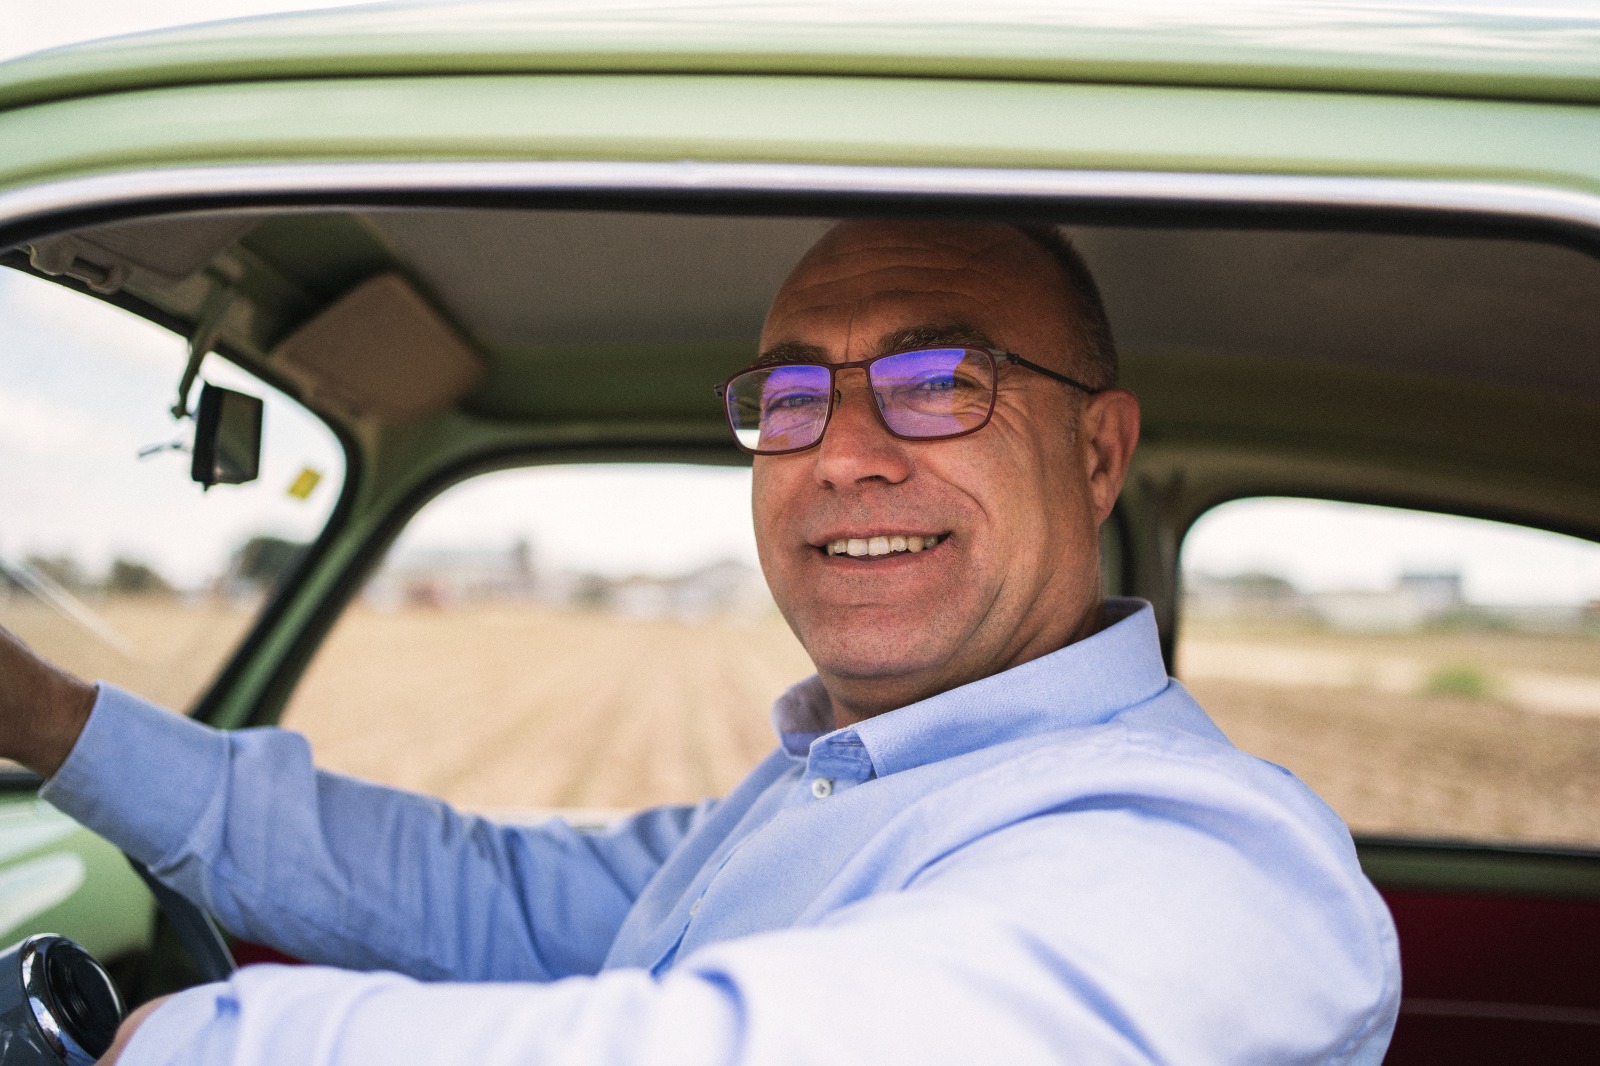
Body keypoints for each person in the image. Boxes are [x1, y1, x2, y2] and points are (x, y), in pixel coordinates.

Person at [0, 219, 1399, 1065]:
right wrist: (49, 717)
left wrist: (183, 1038)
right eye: (792, 395)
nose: (843, 452)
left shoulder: (1210, 858)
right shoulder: (844, 790)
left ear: (1098, 453)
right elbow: (482, 895)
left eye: (935, 381)